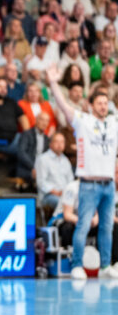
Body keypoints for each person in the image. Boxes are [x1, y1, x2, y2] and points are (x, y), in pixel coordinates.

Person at [47, 65, 118, 279]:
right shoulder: (83, 121)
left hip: (109, 184)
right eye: (100, 103)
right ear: (90, 105)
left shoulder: (114, 124)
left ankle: (106, 266)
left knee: (106, 227)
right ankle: (77, 264)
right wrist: (52, 83)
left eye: (106, 103)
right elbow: (63, 105)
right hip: (89, 183)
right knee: (84, 225)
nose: (104, 106)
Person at [36, 132, 75, 210]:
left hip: (65, 194)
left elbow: (71, 180)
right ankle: (57, 222)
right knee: (63, 203)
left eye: (62, 142)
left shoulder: (65, 160)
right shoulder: (43, 159)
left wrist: (66, 192)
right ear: (50, 144)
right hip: (48, 196)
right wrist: (56, 192)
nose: (60, 145)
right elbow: (41, 182)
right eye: (56, 142)